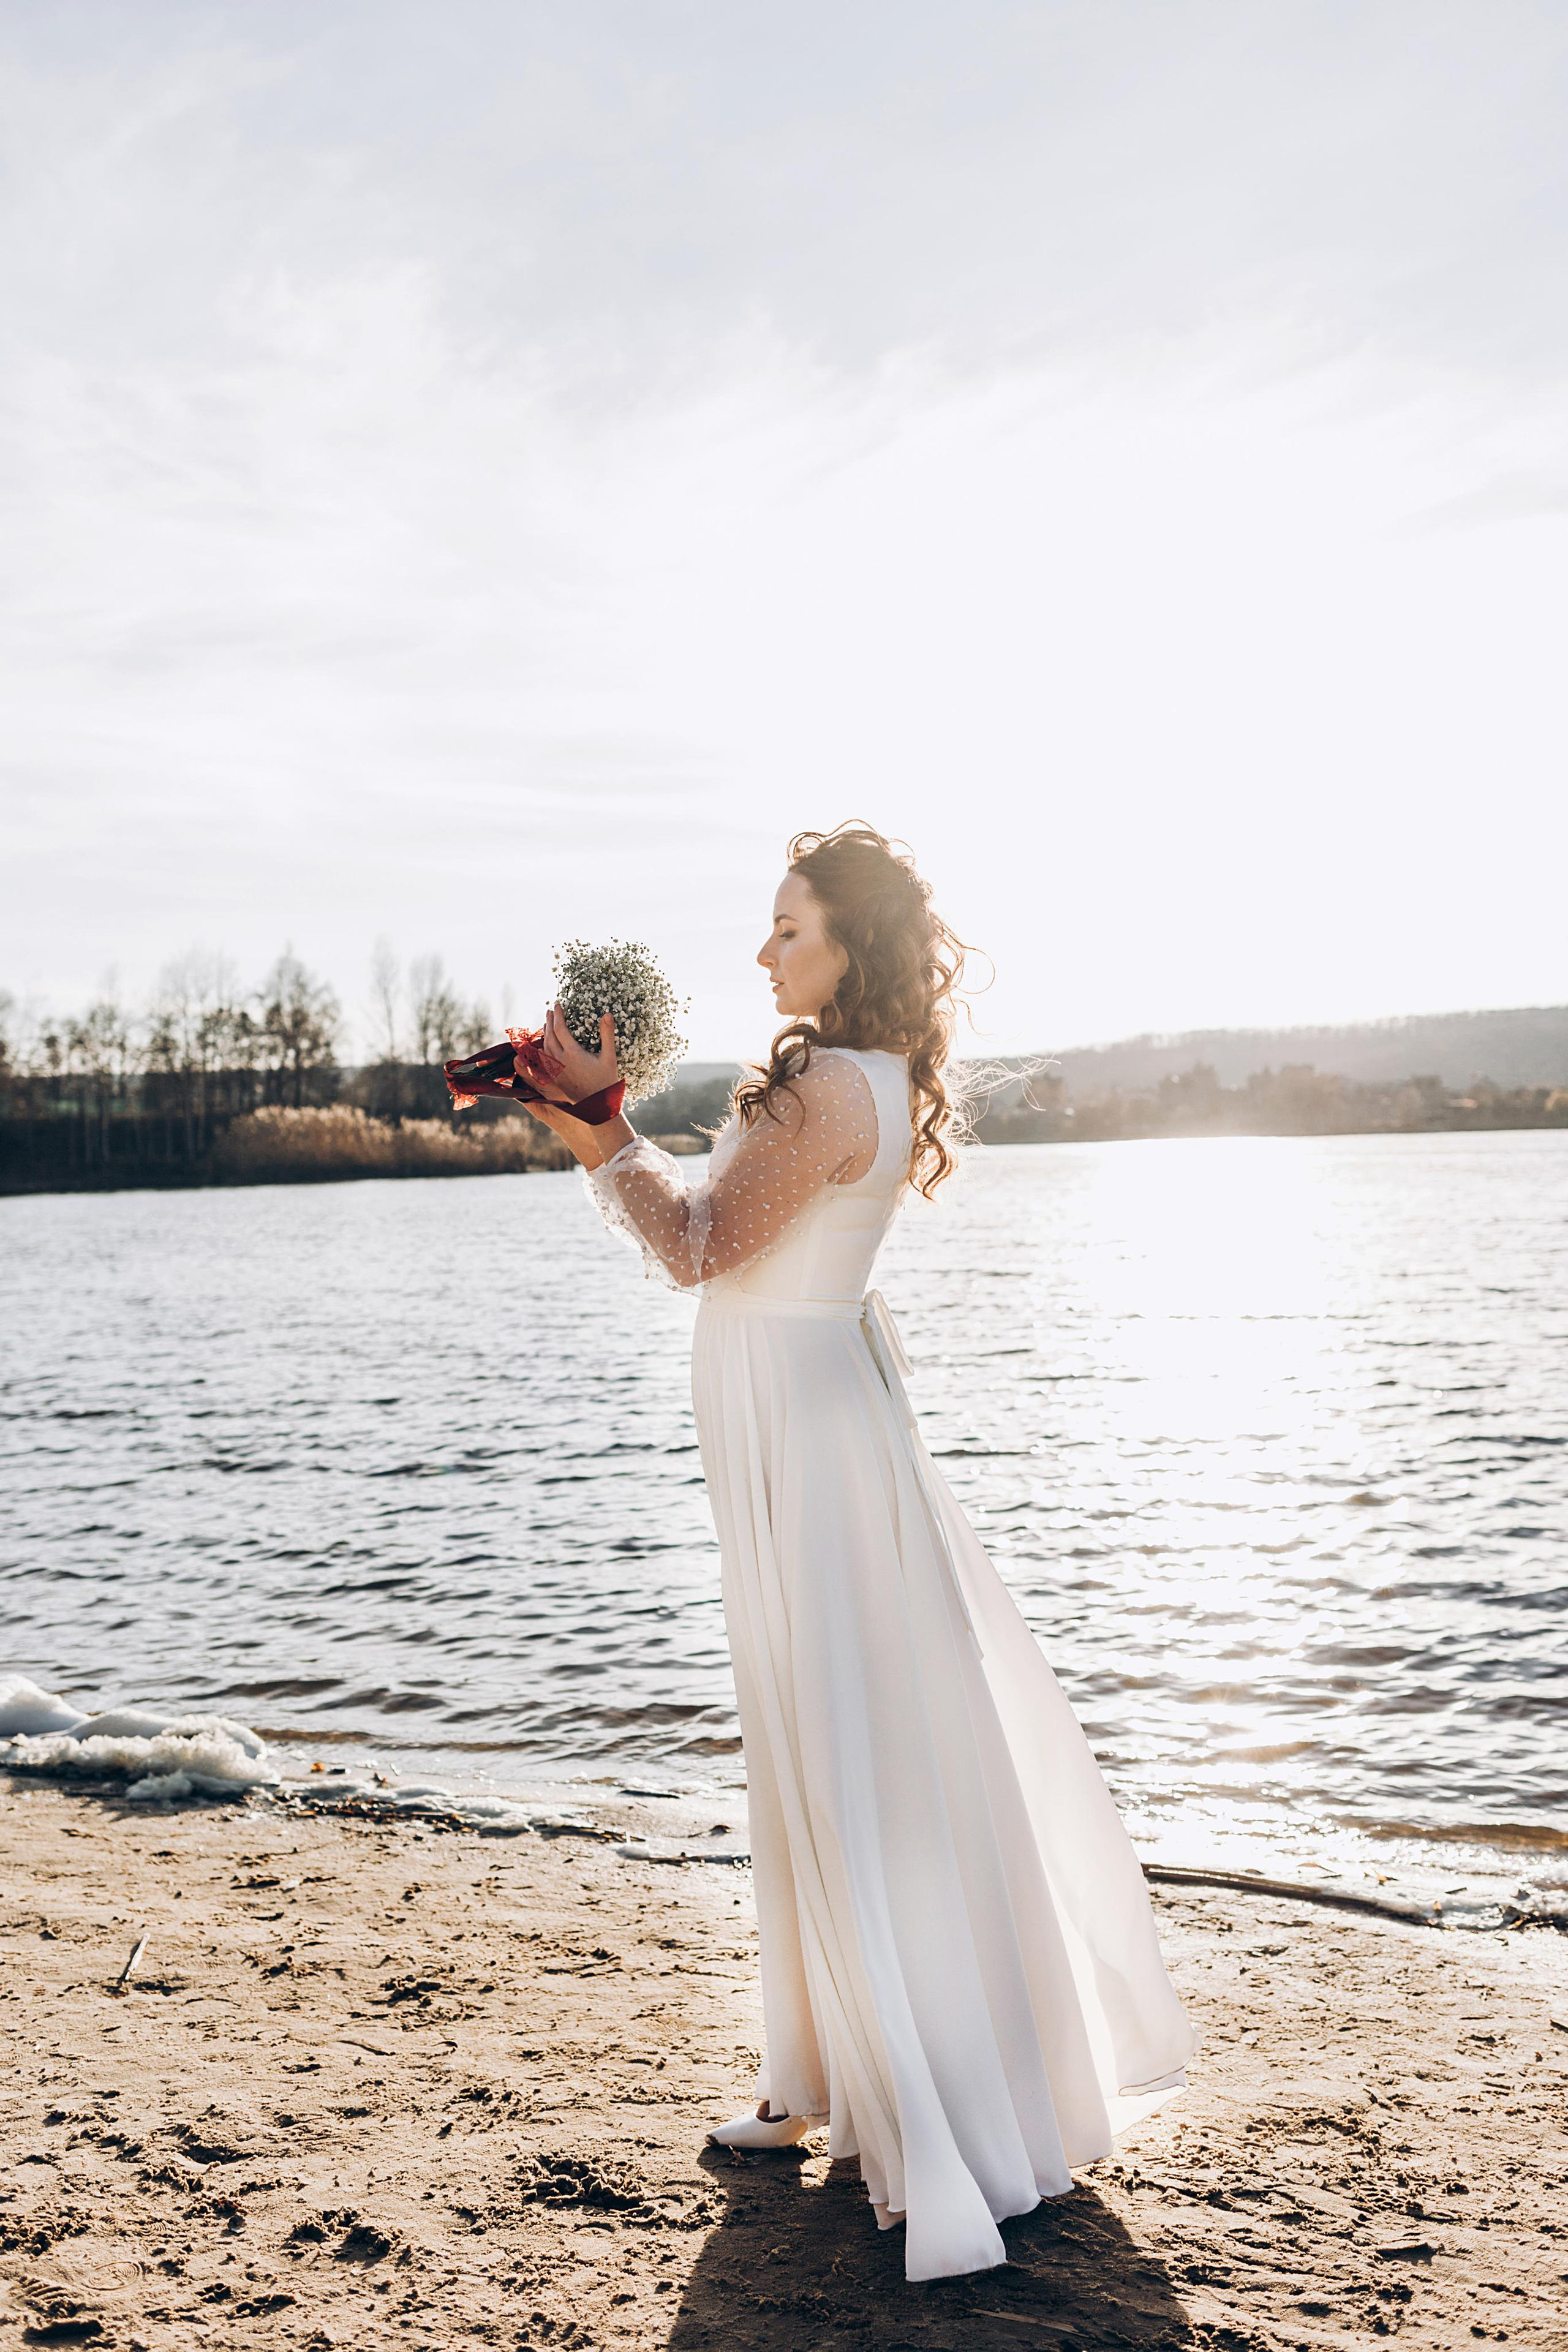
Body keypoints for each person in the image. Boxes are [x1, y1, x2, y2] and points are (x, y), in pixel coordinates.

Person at [521, 823, 1195, 2282]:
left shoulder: (825, 1080)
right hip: (808, 1409)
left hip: (803, 1428)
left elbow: (701, 1247)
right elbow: (741, 1246)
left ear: (851, 947)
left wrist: (602, 1137)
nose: (763, 954)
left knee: (830, 1738)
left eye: (787, 928)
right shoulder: (874, 1078)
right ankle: (815, 2068)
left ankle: (890, 2084)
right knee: (823, 1737)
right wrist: (608, 1135)